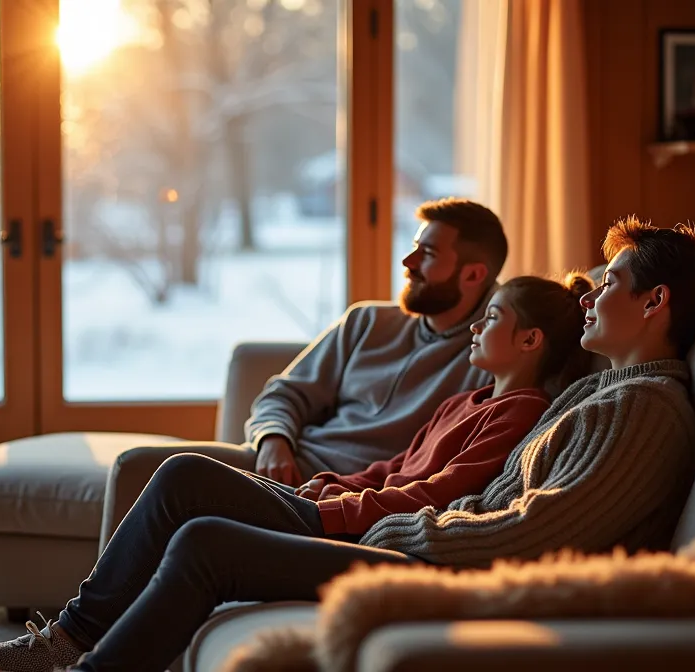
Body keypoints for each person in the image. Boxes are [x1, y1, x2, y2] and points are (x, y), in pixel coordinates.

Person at [0, 271, 599, 672]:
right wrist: (333, 486)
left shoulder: (520, 411)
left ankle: (69, 644)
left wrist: (333, 510)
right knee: (183, 482)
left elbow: (440, 491)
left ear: (531, 341)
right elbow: (397, 466)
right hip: (343, 513)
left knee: (190, 495)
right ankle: (67, 638)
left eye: (494, 318)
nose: (480, 327)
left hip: (369, 537)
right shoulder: (470, 398)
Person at [99, 198, 510, 543]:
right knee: (140, 468)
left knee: (186, 495)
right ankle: (91, 631)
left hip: (344, 496)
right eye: (415, 246)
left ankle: (89, 633)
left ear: (473, 274)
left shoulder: (492, 355)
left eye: (429, 254)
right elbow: (283, 393)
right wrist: (274, 440)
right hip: (285, 464)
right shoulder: (366, 322)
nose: (408, 261)